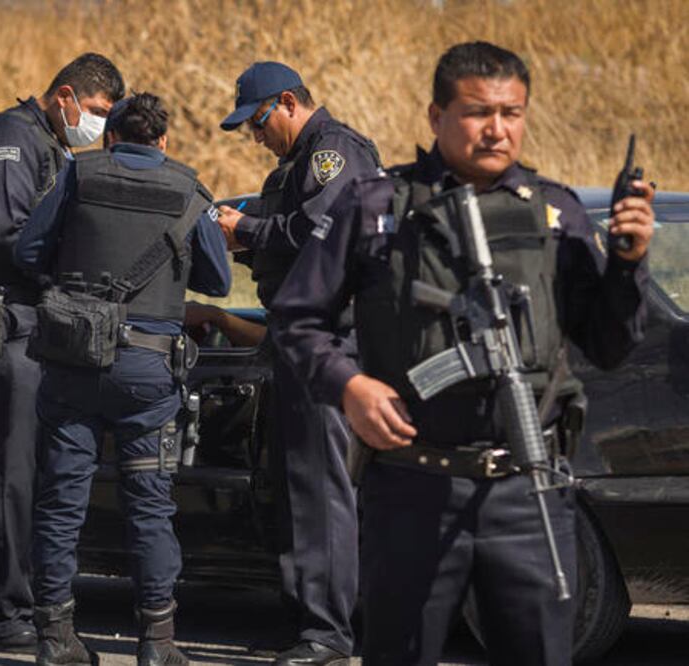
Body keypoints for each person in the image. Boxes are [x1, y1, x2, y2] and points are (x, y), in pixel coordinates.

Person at [270, 41, 656, 665]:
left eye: (512, 112)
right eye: (479, 112)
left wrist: (629, 266)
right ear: (436, 116)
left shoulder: (556, 214)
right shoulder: (375, 206)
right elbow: (296, 317)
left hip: (528, 492)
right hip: (413, 490)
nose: (497, 129)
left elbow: (610, 345)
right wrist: (349, 385)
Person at [15, 92, 231, 666]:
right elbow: (219, 280)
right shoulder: (189, 188)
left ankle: (55, 639)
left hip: (73, 363)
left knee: (61, 504)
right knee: (150, 508)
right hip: (148, 372)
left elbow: (29, 249)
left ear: (110, 137)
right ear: (164, 142)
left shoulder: (77, 173)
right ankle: (157, 645)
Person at [0, 53, 125, 653]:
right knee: (11, 472)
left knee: (37, 471)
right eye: (94, 112)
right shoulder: (9, 140)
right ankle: (0, 611)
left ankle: (32, 602)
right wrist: (73, 277)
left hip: (32, 324)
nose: (95, 124)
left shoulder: (53, 144)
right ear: (65, 96)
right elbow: (5, 232)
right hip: (1, 322)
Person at [217, 61, 382, 665]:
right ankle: (304, 619)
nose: (255, 136)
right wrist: (241, 243)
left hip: (329, 346)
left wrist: (250, 229)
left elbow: (323, 232)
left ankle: (330, 634)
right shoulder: (293, 165)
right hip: (293, 342)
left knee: (321, 489)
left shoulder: (334, 153)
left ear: (288, 102)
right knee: (292, 488)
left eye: (258, 122)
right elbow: (286, 252)